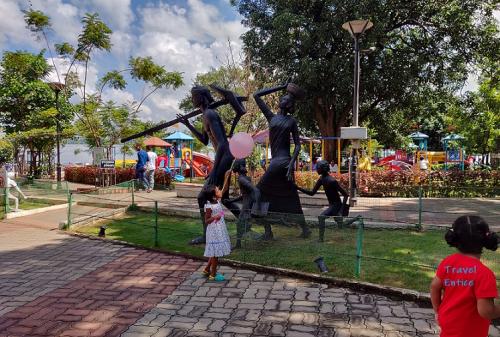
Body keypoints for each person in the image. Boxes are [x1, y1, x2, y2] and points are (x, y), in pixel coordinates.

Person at [178, 85, 246, 245]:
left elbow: (222, 144)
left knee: (203, 197)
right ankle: (246, 223)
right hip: (224, 157)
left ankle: (206, 235)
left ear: (201, 97)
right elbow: (204, 140)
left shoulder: (210, 113)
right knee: (226, 199)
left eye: (193, 96)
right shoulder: (205, 116)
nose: (192, 99)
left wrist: (215, 169)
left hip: (225, 156)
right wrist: (187, 124)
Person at [253, 82, 311, 239]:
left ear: (289, 104)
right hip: (279, 163)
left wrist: (292, 163)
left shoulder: (291, 121)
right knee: (291, 195)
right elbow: (256, 95)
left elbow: (298, 145)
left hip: (282, 163)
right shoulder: (271, 117)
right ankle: (305, 229)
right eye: (282, 96)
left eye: (285, 98)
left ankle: (268, 231)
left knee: (258, 191)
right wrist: (281, 86)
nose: (282, 99)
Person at [430, 215, 499, 337]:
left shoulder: (447, 263)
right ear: (485, 240)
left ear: (455, 239)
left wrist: (437, 311)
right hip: (470, 331)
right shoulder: (484, 274)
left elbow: (434, 286)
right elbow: (486, 312)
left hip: (447, 323)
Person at [295, 160, 349, 242]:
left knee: (321, 217)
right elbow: (312, 193)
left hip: (336, 205)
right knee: (341, 224)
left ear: (322, 169)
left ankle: (320, 239)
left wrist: (341, 210)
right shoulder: (321, 179)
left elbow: (345, 195)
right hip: (332, 205)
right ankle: (357, 219)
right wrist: (298, 188)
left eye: (318, 168)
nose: (316, 169)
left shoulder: (332, 181)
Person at [222, 159, 269, 249]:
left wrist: (257, 206)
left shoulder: (241, 179)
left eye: (235, 165)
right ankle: (267, 233)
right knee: (250, 222)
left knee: (240, 223)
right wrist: (231, 201)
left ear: (238, 167)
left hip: (247, 206)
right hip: (247, 204)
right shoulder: (245, 177)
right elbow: (245, 195)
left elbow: (255, 190)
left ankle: (238, 245)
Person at [202, 185, 231, 281]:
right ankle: (213, 274)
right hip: (214, 231)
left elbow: (221, 213)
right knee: (215, 253)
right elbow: (206, 220)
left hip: (220, 229)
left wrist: (227, 177)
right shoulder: (209, 206)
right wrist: (215, 217)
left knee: (215, 252)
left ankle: (206, 269)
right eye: (217, 190)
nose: (220, 191)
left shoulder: (217, 201)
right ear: (214, 195)